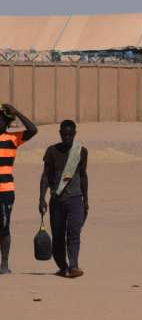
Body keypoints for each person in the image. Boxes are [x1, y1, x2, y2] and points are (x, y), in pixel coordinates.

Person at [39, 120, 89, 279]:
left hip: (75, 199)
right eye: (64, 134)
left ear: (75, 134)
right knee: (58, 236)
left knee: (74, 232)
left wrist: (85, 199)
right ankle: (62, 266)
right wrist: (41, 198)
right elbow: (46, 176)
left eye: (70, 134)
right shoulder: (52, 151)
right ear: (60, 133)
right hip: (57, 200)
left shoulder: (81, 152)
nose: (67, 137)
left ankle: (73, 266)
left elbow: (83, 175)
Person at [0, 104, 38, 274]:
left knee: (4, 227)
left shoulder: (13, 138)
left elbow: (33, 129)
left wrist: (17, 112)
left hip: (6, 192)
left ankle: (4, 264)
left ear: (6, 122)